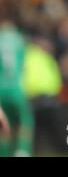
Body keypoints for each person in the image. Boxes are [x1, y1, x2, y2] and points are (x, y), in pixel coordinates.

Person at [0, 15, 34, 157]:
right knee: (25, 121)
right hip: (16, 88)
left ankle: (4, 153)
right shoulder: (19, 40)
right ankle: (22, 151)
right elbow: (24, 66)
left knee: (3, 124)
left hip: (1, 88)